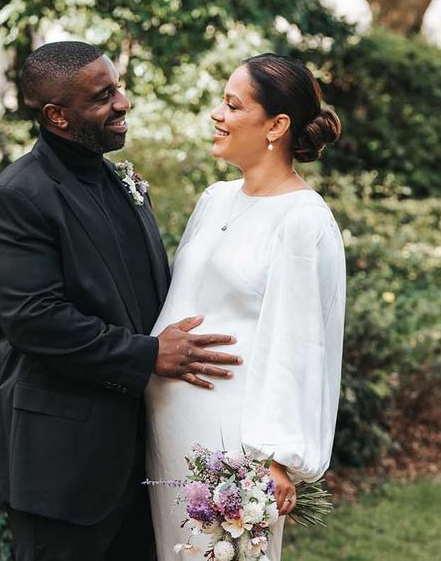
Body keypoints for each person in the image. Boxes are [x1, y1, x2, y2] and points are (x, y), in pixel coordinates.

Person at [0, 41, 242, 561]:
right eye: (103, 96)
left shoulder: (121, 180)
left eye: (117, 87)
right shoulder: (19, 197)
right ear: (57, 115)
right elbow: (35, 321)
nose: (123, 103)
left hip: (144, 462)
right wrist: (149, 354)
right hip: (63, 470)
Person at [146, 54, 346, 560]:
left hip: (232, 442)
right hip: (167, 428)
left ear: (277, 125)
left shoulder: (303, 221)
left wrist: (277, 457)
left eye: (233, 106)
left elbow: (301, 344)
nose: (217, 114)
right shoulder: (215, 198)